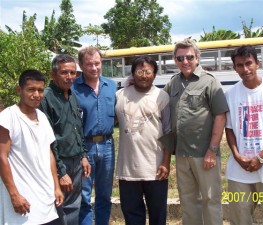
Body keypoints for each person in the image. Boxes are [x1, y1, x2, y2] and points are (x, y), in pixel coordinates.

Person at [163, 38, 228, 225]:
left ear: (197, 58)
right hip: (182, 154)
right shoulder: (173, 83)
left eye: (189, 57)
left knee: (211, 200)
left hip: (204, 154)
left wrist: (212, 150)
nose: (185, 62)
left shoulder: (209, 82)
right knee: (188, 201)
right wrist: (131, 83)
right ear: (175, 60)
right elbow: (156, 100)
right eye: (180, 58)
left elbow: (220, 116)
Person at [225, 45, 263, 225]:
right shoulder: (230, 94)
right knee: (239, 219)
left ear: (257, 63)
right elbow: (228, 129)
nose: (245, 69)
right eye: (239, 65)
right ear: (234, 68)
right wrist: (237, 156)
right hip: (239, 171)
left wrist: (261, 156)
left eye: (248, 63)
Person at [0, 69, 64, 225]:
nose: (36, 94)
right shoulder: (8, 117)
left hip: (47, 200)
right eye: (31, 89)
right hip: (23, 202)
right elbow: (2, 156)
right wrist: (14, 195)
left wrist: (56, 187)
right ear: (19, 90)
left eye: (40, 90)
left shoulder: (42, 117)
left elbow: (48, 153)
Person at [115, 56, 172, 225]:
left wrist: (166, 162)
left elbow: (168, 131)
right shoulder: (120, 95)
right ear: (133, 74)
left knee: (158, 215)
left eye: (148, 72)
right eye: (139, 71)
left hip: (155, 169)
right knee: (132, 216)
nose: (144, 75)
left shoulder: (162, 96)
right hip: (127, 170)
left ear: (154, 74)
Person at [39, 54, 91, 225]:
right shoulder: (46, 98)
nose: (69, 77)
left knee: (74, 207)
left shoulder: (71, 95)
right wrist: (61, 172)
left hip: (76, 160)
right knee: (60, 208)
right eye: (64, 73)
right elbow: (47, 139)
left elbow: (77, 128)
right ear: (53, 75)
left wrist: (83, 155)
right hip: (59, 163)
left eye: (73, 73)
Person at [72, 46, 117, 225]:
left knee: (104, 195)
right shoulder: (74, 88)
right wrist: (81, 152)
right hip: (85, 147)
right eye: (89, 64)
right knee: (84, 196)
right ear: (81, 65)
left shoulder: (111, 85)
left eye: (97, 63)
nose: (94, 68)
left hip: (107, 145)